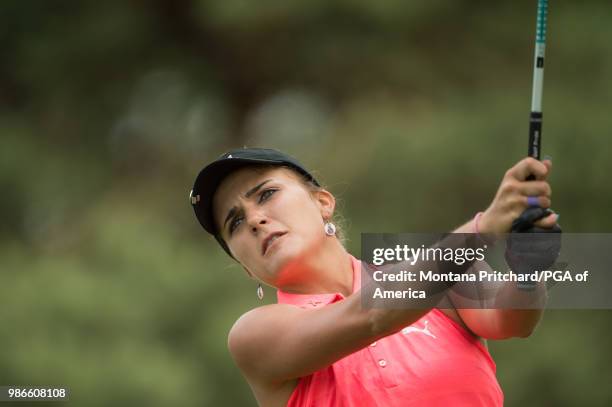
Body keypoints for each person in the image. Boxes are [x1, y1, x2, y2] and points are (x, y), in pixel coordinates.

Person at [190, 147, 558, 407]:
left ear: (323, 202)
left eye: (267, 194)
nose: (254, 220)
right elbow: (375, 314)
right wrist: (483, 229)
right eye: (235, 221)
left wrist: (529, 269)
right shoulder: (254, 336)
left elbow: (512, 321)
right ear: (245, 267)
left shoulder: (437, 273)